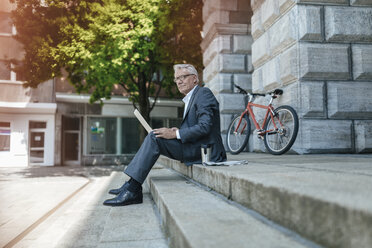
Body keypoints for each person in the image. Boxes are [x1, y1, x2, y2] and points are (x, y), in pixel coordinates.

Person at [103, 64, 226, 207]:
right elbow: (197, 126)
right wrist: (176, 131)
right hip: (194, 146)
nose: (179, 81)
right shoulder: (191, 98)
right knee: (155, 134)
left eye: (183, 77)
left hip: (206, 151)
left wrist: (176, 133)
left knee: (154, 138)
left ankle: (133, 189)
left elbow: (205, 127)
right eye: (177, 79)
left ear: (195, 79)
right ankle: (131, 184)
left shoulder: (203, 93)